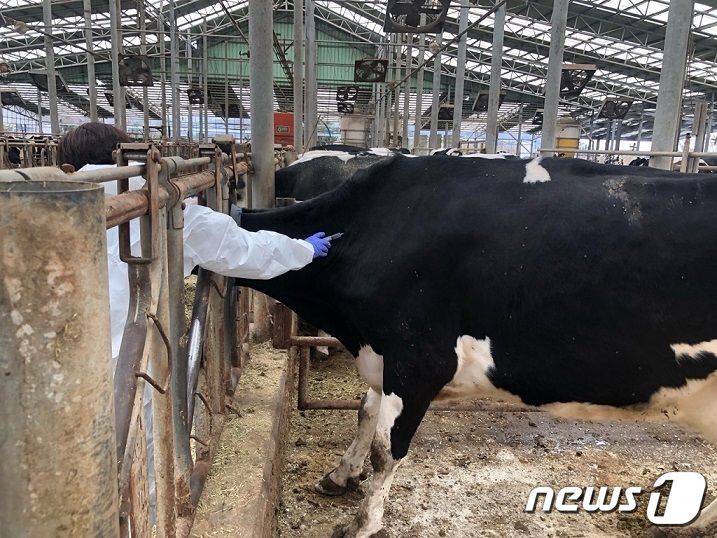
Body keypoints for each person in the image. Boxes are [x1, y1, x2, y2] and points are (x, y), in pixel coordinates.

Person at [57, 122, 332, 520]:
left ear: (67, 166)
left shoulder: (38, 209)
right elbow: (244, 251)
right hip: (134, 363)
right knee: (138, 460)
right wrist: (302, 250)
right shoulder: (165, 202)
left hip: (59, 368)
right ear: (129, 156)